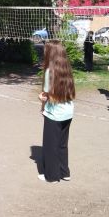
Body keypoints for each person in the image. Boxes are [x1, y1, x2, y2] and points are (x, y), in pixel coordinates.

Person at [37, 40, 75, 182]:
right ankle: (65, 173)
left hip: (54, 114)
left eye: (46, 50)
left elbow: (47, 95)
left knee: (50, 146)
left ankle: (51, 176)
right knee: (62, 144)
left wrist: (41, 101)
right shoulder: (67, 69)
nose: (44, 52)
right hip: (68, 113)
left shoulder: (50, 72)